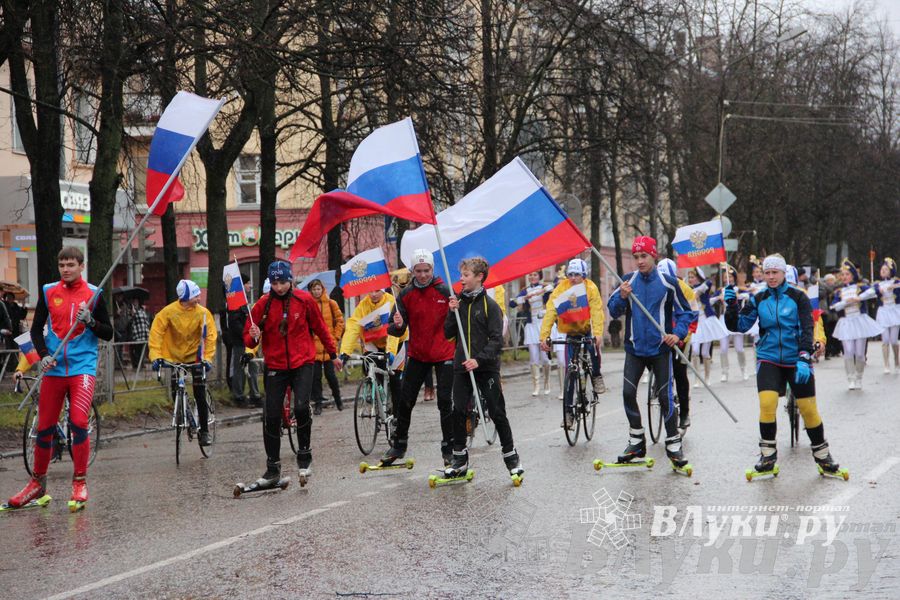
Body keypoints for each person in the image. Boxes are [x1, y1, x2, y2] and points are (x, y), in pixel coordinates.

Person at [6, 247, 113, 510]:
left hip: (82, 368)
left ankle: (79, 482)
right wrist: (42, 355)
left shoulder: (94, 295)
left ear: (81, 266)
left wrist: (91, 322)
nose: (66, 269)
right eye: (62, 264)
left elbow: (108, 333)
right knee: (44, 428)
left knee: (78, 421)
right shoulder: (48, 291)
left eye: (71, 265)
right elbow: (36, 331)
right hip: (53, 367)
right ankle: (37, 485)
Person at [725, 254, 844, 477]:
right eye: (767, 273)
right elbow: (738, 325)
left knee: (809, 409)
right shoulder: (759, 299)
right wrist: (731, 305)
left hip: (796, 358)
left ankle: (823, 458)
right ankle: (767, 457)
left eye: (774, 273)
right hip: (769, 357)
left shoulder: (798, 297)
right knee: (767, 403)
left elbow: (807, 327)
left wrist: (803, 356)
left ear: (782, 274)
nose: (770, 277)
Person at [245, 261, 341, 484]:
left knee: (299, 407)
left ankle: (304, 455)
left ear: (291, 280)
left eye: (283, 282)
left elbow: (320, 328)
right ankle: (272, 468)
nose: (279, 287)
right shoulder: (262, 304)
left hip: (303, 362)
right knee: (271, 415)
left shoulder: (304, 300)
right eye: (275, 283)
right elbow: (249, 338)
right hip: (275, 365)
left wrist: (333, 354)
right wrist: (253, 335)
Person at [607, 238, 695, 469]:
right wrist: (621, 296)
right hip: (635, 349)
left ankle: (673, 444)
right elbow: (613, 310)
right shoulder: (628, 281)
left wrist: (677, 334)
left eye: (643, 256)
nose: (639, 261)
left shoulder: (668, 282)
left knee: (665, 398)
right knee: (627, 393)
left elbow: (686, 313)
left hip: (660, 348)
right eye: (636, 257)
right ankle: (636, 440)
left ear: (653, 256)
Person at [443, 258, 523, 479]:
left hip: (486, 368)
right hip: (462, 366)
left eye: (466, 275)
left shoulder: (490, 305)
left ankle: (511, 456)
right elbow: (448, 333)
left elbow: (497, 341)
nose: (461, 279)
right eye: (461, 275)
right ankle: (459, 459)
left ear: (479, 277)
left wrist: (479, 359)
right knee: (458, 410)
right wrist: (452, 312)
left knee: (497, 411)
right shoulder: (457, 302)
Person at [382, 249, 456, 466]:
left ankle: (449, 449)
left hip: (444, 353)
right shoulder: (405, 295)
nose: (423, 275)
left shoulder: (445, 291)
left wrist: (454, 311)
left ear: (433, 269)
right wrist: (397, 325)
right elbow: (395, 328)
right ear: (412, 271)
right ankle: (399, 445)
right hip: (418, 353)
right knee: (405, 400)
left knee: (445, 402)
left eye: (427, 270)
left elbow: (457, 324)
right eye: (418, 271)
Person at [540, 257, 606, 430]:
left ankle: (597, 375)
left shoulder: (590, 288)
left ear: (583, 275)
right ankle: (568, 413)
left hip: (586, 329)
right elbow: (551, 311)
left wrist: (598, 333)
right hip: (569, 332)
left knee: (593, 348)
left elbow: (597, 311)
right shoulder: (561, 288)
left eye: (577, 274)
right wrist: (544, 336)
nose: (573, 278)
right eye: (570, 274)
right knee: (570, 371)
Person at [149, 279, 217, 445]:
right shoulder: (168, 312)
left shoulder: (203, 313)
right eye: (195, 296)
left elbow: (210, 337)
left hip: (196, 358)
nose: (199, 299)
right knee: (175, 389)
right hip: (174, 358)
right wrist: (156, 356)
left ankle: (204, 432)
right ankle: (183, 414)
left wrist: (207, 359)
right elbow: (156, 333)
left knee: (199, 392)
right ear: (185, 297)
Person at [339, 288, 405, 414]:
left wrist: (391, 351)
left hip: (395, 341)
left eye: (377, 291)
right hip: (373, 341)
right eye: (370, 291)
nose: (373, 294)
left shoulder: (392, 302)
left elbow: (394, 330)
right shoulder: (363, 305)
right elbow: (353, 327)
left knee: (395, 380)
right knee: (369, 365)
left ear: (383, 291)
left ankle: (397, 415)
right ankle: (376, 394)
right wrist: (345, 352)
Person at [657, 258, 697, 432]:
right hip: (660, 337)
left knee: (680, 373)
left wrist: (682, 337)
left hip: (682, 337)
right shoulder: (655, 287)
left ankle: (685, 413)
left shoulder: (685, 289)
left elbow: (693, 315)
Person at [830, 258, 883, 390]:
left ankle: (859, 377)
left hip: (860, 321)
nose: (844, 277)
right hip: (846, 322)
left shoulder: (860, 287)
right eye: (842, 275)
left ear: (853, 274)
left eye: (847, 274)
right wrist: (845, 302)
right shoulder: (838, 291)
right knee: (848, 351)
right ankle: (850, 378)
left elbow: (873, 291)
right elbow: (834, 306)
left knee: (859, 353)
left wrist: (859, 298)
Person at [511, 270, 553, 396]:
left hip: (543, 325)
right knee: (534, 358)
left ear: (539, 276)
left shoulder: (544, 286)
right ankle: (536, 386)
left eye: (535, 275)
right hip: (531, 326)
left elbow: (553, 288)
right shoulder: (526, 290)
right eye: (530, 275)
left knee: (545, 358)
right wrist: (525, 298)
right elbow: (512, 303)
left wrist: (540, 291)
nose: (532, 277)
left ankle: (547, 382)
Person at [686, 266, 729, 387]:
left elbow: (706, 289)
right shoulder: (687, 289)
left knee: (705, 353)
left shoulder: (705, 285)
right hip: (695, 322)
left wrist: (714, 297)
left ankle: (707, 377)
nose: (690, 279)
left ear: (698, 277)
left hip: (706, 321)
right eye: (689, 277)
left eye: (692, 277)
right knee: (694, 351)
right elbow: (691, 299)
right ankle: (696, 379)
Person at [308, 279, 344, 414]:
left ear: (322, 289)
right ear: (311, 291)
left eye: (318, 289)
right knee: (315, 377)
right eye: (314, 289)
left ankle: (338, 399)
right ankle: (318, 403)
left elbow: (340, 321)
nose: (317, 291)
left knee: (331, 376)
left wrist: (336, 336)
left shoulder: (331, 303)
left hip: (329, 346)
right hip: (314, 347)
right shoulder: (309, 304)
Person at [225, 276, 261, 407]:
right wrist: (246, 334)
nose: (250, 286)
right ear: (242, 285)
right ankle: (239, 396)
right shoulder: (235, 302)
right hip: (240, 342)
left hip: (249, 342)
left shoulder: (245, 302)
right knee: (240, 369)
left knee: (253, 368)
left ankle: (255, 395)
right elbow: (235, 323)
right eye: (248, 283)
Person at [713, 263, 750, 381]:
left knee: (739, 349)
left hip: (736, 318)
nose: (728, 279)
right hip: (724, 319)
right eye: (725, 277)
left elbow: (749, 296)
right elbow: (708, 301)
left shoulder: (739, 289)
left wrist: (739, 296)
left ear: (734, 277)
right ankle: (724, 372)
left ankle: (743, 369)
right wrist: (718, 298)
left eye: (730, 277)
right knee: (723, 349)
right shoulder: (721, 290)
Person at [873, 258, 900, 374]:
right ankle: (886, 364)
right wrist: (878, 291)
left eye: (886, 269)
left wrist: (894, 287)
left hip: (894, 312)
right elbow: (871, 292)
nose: (883, 271)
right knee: (885, 340)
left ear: (891, 271)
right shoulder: (877, 284)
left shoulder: (896, 282)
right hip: (883, 312)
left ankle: (896, 361)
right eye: (882, 269)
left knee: (894, 340)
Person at [127, 298, 151, 369]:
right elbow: (129, 321)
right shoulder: (131, 311)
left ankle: (141, 363)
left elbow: (147, 320)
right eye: (134, 302)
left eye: (136, 302)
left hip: (144, 333)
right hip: (136, 334)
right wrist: (132, 314)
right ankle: (137, 365)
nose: (135, 303)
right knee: (137, 350)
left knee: (142, 350)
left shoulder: (142, 311)